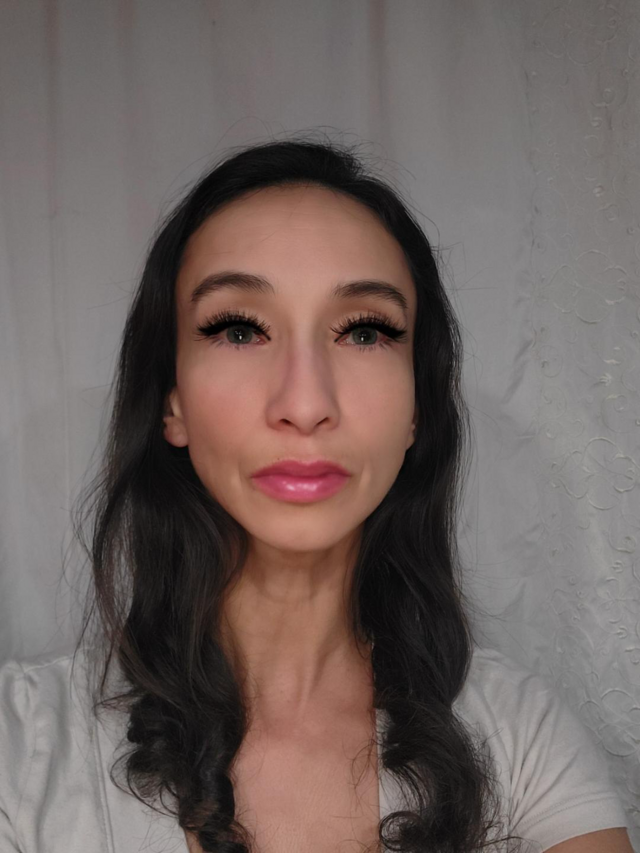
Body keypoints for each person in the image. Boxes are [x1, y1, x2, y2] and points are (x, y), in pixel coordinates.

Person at [0, 136, 633, 853]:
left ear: (417, 408)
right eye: (239, 329)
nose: (305, 404)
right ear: (172, 401)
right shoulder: (21, 749)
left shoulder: (521, 738)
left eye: (364, 332)